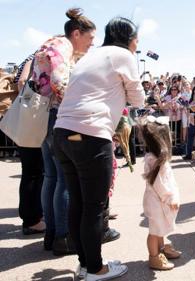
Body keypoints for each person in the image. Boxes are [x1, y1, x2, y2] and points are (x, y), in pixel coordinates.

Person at [53, 17, 144, 280]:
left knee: (78, 204)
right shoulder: (123, 55)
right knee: (94, 206)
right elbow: (137, 97)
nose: (137, 45)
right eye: (136, 39)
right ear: (128, 38)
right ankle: (95, 268)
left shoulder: (91, 56)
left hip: (62, 132)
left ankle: (85, 263)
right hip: (91, 135)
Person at [31, 8, 96, 255]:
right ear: (77, 34)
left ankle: (51, 234)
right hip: (57, 117)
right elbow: (61, 84)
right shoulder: (62, 47)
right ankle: (63, 235)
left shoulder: (50, 43)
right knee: (66, 179)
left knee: (51, 177)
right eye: (89, 40)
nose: (90, 46)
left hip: (43, 116)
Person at [141, 116, 181, 270]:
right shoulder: (155, 160)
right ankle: (154, 257)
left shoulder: (157, 158)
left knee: (159, 228)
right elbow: (158, 183)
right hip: (157, 201)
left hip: (158, 200)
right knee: (154, 231)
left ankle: (162, 249)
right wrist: (169, 198)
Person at [13, 55, 46, 235]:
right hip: (34, 119)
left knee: (31, 171)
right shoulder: (38, 58)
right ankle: (32, 220)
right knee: (35, 171)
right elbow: (23, 82)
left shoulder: (32, 57)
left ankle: (32, 217)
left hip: (26, 120)